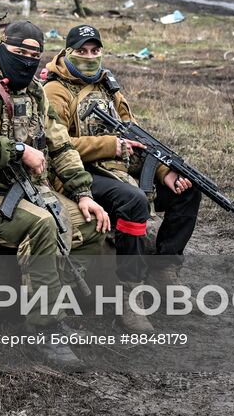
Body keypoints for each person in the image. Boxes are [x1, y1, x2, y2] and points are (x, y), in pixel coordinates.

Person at [0, 20, 110, 363]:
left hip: (21, 188)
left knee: (91, 225)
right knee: (42, 224)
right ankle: (44, 329)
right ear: (2, 49)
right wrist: (17, 151)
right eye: (19, 53)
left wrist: (84, 193)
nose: (27, 60)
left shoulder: (34, 91)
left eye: (35, 55)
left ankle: (49, 307)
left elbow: (60, 146)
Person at [41, 24, 201, 280]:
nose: (90, 57)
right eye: (82, 51)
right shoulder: (54, 91)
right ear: (68, 52)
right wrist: (110, 146)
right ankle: (130, 289)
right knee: (133, 199)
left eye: (95, 51)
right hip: (74, 176)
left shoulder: (108, 88)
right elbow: (56, 146)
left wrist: (163, 173)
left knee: (188, 191)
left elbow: (135, 136)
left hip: (117, 170)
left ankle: (165, 269)